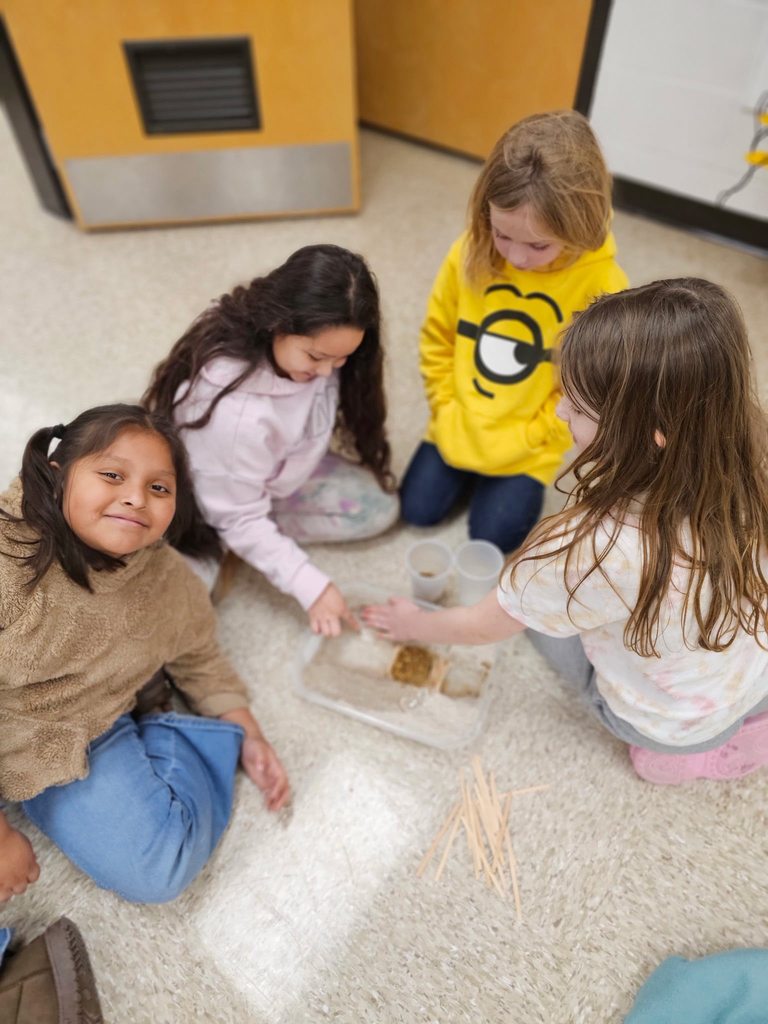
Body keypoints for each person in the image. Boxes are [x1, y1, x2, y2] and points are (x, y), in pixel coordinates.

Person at [364, 279, 768, 784]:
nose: (559, 411)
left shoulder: (592, 548)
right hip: (750, 672)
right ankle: (747, 718)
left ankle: (701, 752)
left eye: (577, 409)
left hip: (670, 722)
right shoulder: (749, 444)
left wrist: (415, 625)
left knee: (540, 625)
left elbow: (485, 625)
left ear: (651, 437)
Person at [0, 405, 289, 905]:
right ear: (56, 475)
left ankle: (159, 721)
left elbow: (199, 655)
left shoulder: (167, 581)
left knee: (158, 869)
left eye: (160, 488)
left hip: (84, 731)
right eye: (112, 475)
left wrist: (249, 734)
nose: (136, 498)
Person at [400, 109, 628, 553]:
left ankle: (491, 476)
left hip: (529, 444)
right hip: (457, 422)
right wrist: (446, 410)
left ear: (578, 226)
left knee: (495, 538)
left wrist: (530, 439)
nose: (517, 259)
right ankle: (467, 462)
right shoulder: (468, 251)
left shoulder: (605, 287)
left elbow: (587, 394)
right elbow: (438, 338)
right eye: (502, 234)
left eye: (538, 245)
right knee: (416, 511)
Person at [143, 244, 398, 637]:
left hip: (265, 472)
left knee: (379, 506)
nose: (329, 371)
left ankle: (245, 542)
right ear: (277, 324)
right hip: (211, 506)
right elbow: (235, 514)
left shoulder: (305, 352)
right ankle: (229, 551)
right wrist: (311, 586)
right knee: (180, 611)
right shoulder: (236, 418)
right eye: (315, 357)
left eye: (341, 359)